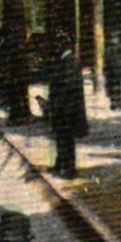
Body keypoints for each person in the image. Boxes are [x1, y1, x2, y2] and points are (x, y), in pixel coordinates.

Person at [46, 29, 88, 177]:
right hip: (62, 107)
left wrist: (56, 103)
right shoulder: (64, 61)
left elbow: (67, 87)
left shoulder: (70, 62)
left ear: (64, 46)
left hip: (67, 109)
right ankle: (60, 164)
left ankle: (69, 169)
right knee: (60, 137)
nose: (55, 47)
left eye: (58, 44)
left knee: (66, 139)